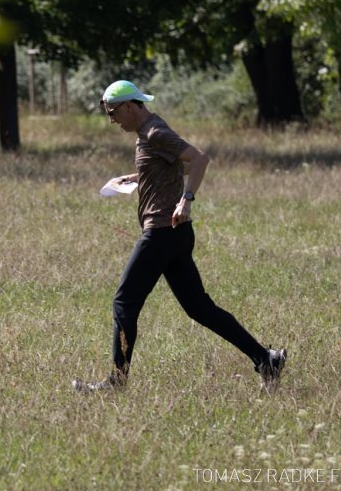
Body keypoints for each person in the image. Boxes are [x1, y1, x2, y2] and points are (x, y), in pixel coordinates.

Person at [73, 80, 286, 392]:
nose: (112, 120)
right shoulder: (149, 131)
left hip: (161, 233)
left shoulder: (154, 132)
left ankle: (116, 382)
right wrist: (139, 177)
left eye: (112, 112)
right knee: (199, 307)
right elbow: (175, 164)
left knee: (124, 302)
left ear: (129, 106)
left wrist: (186, 199)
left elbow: (198, 158)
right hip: (175, 234)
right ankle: (266, 359)